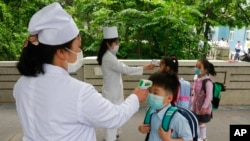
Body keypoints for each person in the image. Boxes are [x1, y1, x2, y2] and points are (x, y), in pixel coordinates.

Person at [13, 2, 149, 141]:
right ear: (61, 52)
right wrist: (136, 98)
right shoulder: (78, 92)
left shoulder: (21, 85)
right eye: (78, 46)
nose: (79, 52)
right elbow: (114, 117)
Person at [97, 26, 155, 141]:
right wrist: (144, 68)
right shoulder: (108, 58)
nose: (118, 45)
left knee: (116, 115)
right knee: (112, 117)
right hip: (112, 93)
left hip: (114, 91)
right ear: (109, 44)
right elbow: (125, 69)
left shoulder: (110, 56)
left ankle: (114, 135)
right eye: (116, 42)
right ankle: (110, 138)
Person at [138, 72, 193, 141]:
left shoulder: (177, 118)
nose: (151, 95)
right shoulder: (151, 111)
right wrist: (141, 127)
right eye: (149, 91)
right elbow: (145, 125)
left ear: (169, 98)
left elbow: (188, 139)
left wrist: (168, 140)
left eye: (155, 93)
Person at [191, 59, 216, 141]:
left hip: (202, 106)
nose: (196, 68)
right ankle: (198, 137)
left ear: (205, 70)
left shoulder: (207, 82)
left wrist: (204, 107)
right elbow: (194, 90)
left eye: (199, 67)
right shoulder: (196, 77)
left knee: (201, 122)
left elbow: (209, 97)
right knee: (196, 121)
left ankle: (204, 138)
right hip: (195, 104)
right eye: (196, 66)